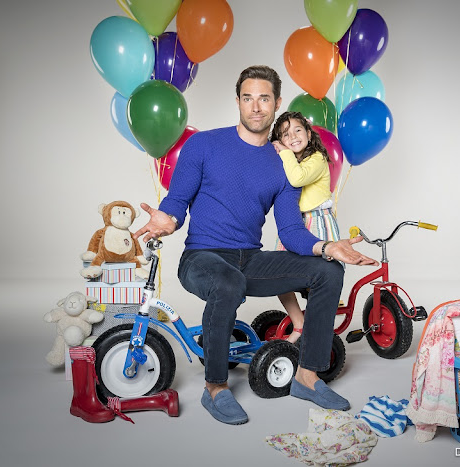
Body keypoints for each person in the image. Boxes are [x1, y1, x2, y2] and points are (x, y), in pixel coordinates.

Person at [134, 65, 378, 426]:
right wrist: (167, 218)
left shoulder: (282, 164)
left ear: (277, 103)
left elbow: (291, 231)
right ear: (237, 101)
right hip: (202, 257)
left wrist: (327, 247)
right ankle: (215, 388)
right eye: (248, 98)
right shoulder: (204, 144)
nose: (256, 106)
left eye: (264, 98)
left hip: (249, 259)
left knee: (327, 271)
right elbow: (177, 199)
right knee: (227, 282)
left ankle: (307, 376)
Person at [270, 111, 340, 344]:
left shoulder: (317, 158)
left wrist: (284, 151)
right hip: (293, 223)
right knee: (278, 275)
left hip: (317, 222)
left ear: (309, 134)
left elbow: (297, 178)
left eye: (297, 130)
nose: (292, 137)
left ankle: (317, 330)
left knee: (319, 278)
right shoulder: (288, 161)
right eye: (285, 134)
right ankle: (299, 322)